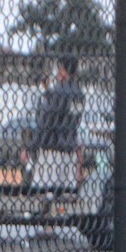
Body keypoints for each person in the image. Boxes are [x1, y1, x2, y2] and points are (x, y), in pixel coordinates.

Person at [28, 56, 83, 196]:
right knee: (65, 195)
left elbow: (45, 121)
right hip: (69, 149)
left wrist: (32, 147)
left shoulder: (58, 91)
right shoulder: (79, 94)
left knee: (43, 193)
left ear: (64, 70)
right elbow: (68, 116)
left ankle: (36, 216)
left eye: (60, 69)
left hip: (51, 149)